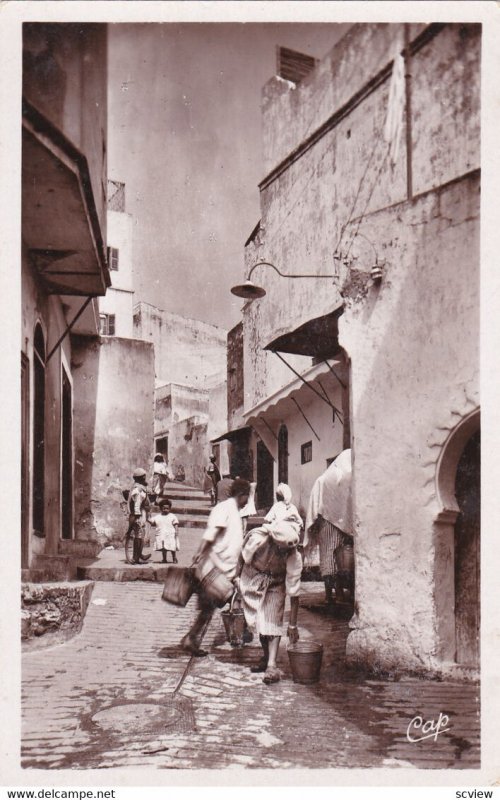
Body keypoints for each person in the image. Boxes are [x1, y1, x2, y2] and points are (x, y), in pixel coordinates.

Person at [180, 477, 250, 657]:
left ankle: (193, 638)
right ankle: (192, 638)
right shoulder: (224, 508)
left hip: (224, 569)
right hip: (213, 569)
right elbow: (213, 532)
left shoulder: (234, 511)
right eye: (247, 497)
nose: (248, 501)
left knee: (212, 607)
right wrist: (200, 551)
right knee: (217, 605)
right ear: (241, 495)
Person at [238, 518, 302, 685]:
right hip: (253, 576)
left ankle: (272, 665)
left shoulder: (293, 555)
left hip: (276, 582)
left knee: (272, 619)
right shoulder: (258, 539)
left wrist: (293, 624)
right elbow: (242, 557)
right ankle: (266, 657)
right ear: (274, 540)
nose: (284, 553)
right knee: (259, 620)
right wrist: (235, 580)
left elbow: (294, 593)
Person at [304, 448, 353, 604]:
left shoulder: (323, 479)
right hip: (338, 524)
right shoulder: (346, 477)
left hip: (324, 523)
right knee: (338, 560)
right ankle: (337, 594)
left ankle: (329, 595)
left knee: (327, 559)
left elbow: (315, 506)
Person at [127, 467, 151, 564]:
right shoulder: (138, 490)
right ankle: (135, 557)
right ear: (141, 478)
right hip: (139, 515)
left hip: (141, 514)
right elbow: (137, 504)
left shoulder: (138, 487)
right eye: (144, 477)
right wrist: (137, 516)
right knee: (138, 535)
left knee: (140, 535)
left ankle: (139, 554)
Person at [150, 498, 179, 563]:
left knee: (172, 547)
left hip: (170, 534)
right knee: (163, 548)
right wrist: (147, 517)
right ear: (160, 508)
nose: (166, 510)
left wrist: (176, 531)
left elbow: (176, 523)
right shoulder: (158, 517)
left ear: (170, 508)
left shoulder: (172, 516)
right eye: (164, 508)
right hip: (162, 534)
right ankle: (164, 558)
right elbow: (152, 521)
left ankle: (174, 558)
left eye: (167, 508)